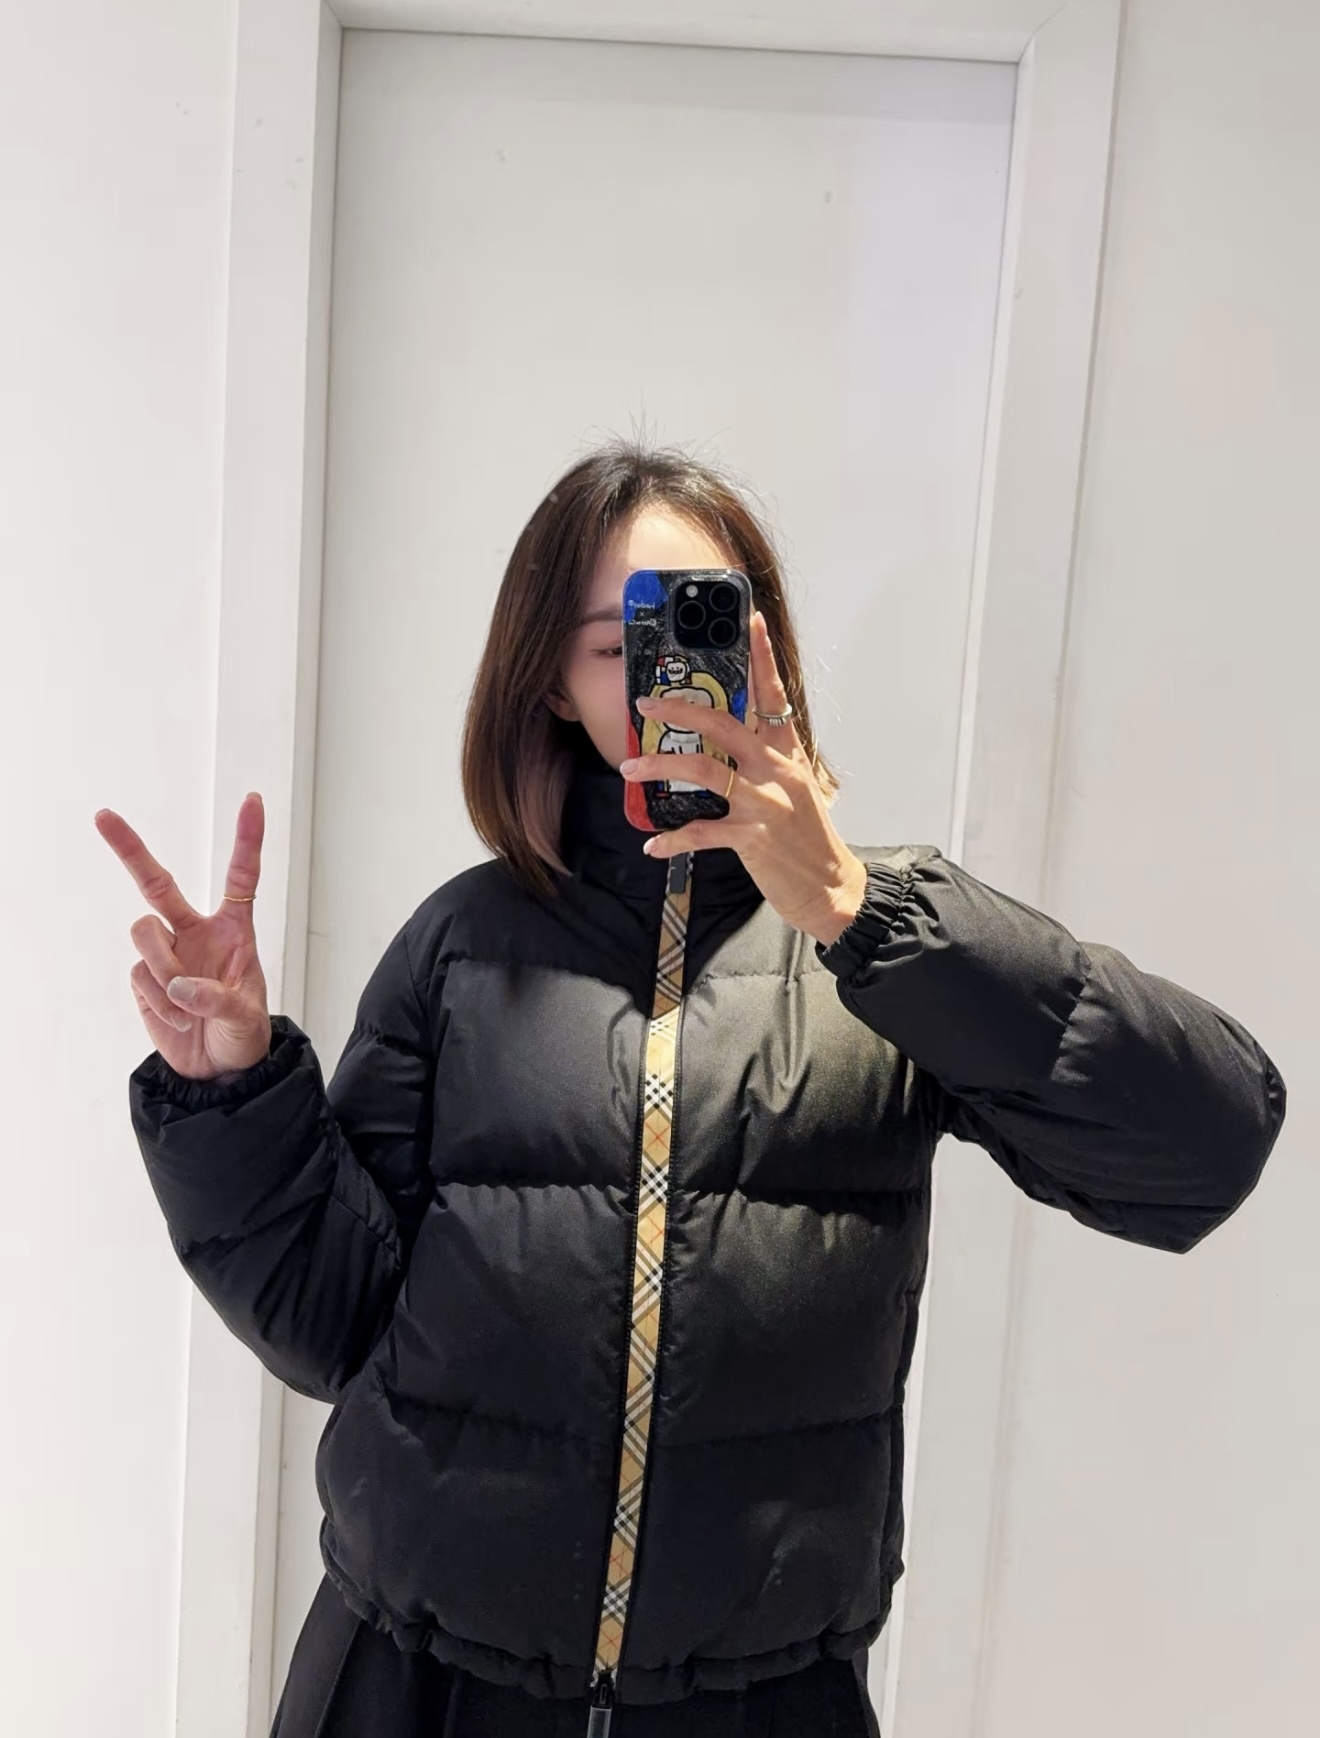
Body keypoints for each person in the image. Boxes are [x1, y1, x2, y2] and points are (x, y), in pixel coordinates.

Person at [99, 442, 1287, 1737]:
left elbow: (1206, 1143)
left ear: (763, 652)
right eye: (621, 645)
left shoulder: (883, 952)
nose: (670, 679)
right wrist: (233, 1090)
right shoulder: (460, 946)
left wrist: (859, 908)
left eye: (702, 628)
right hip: (421, 1691)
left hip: (760, 1706)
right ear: (552, 683)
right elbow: (336, 1323)